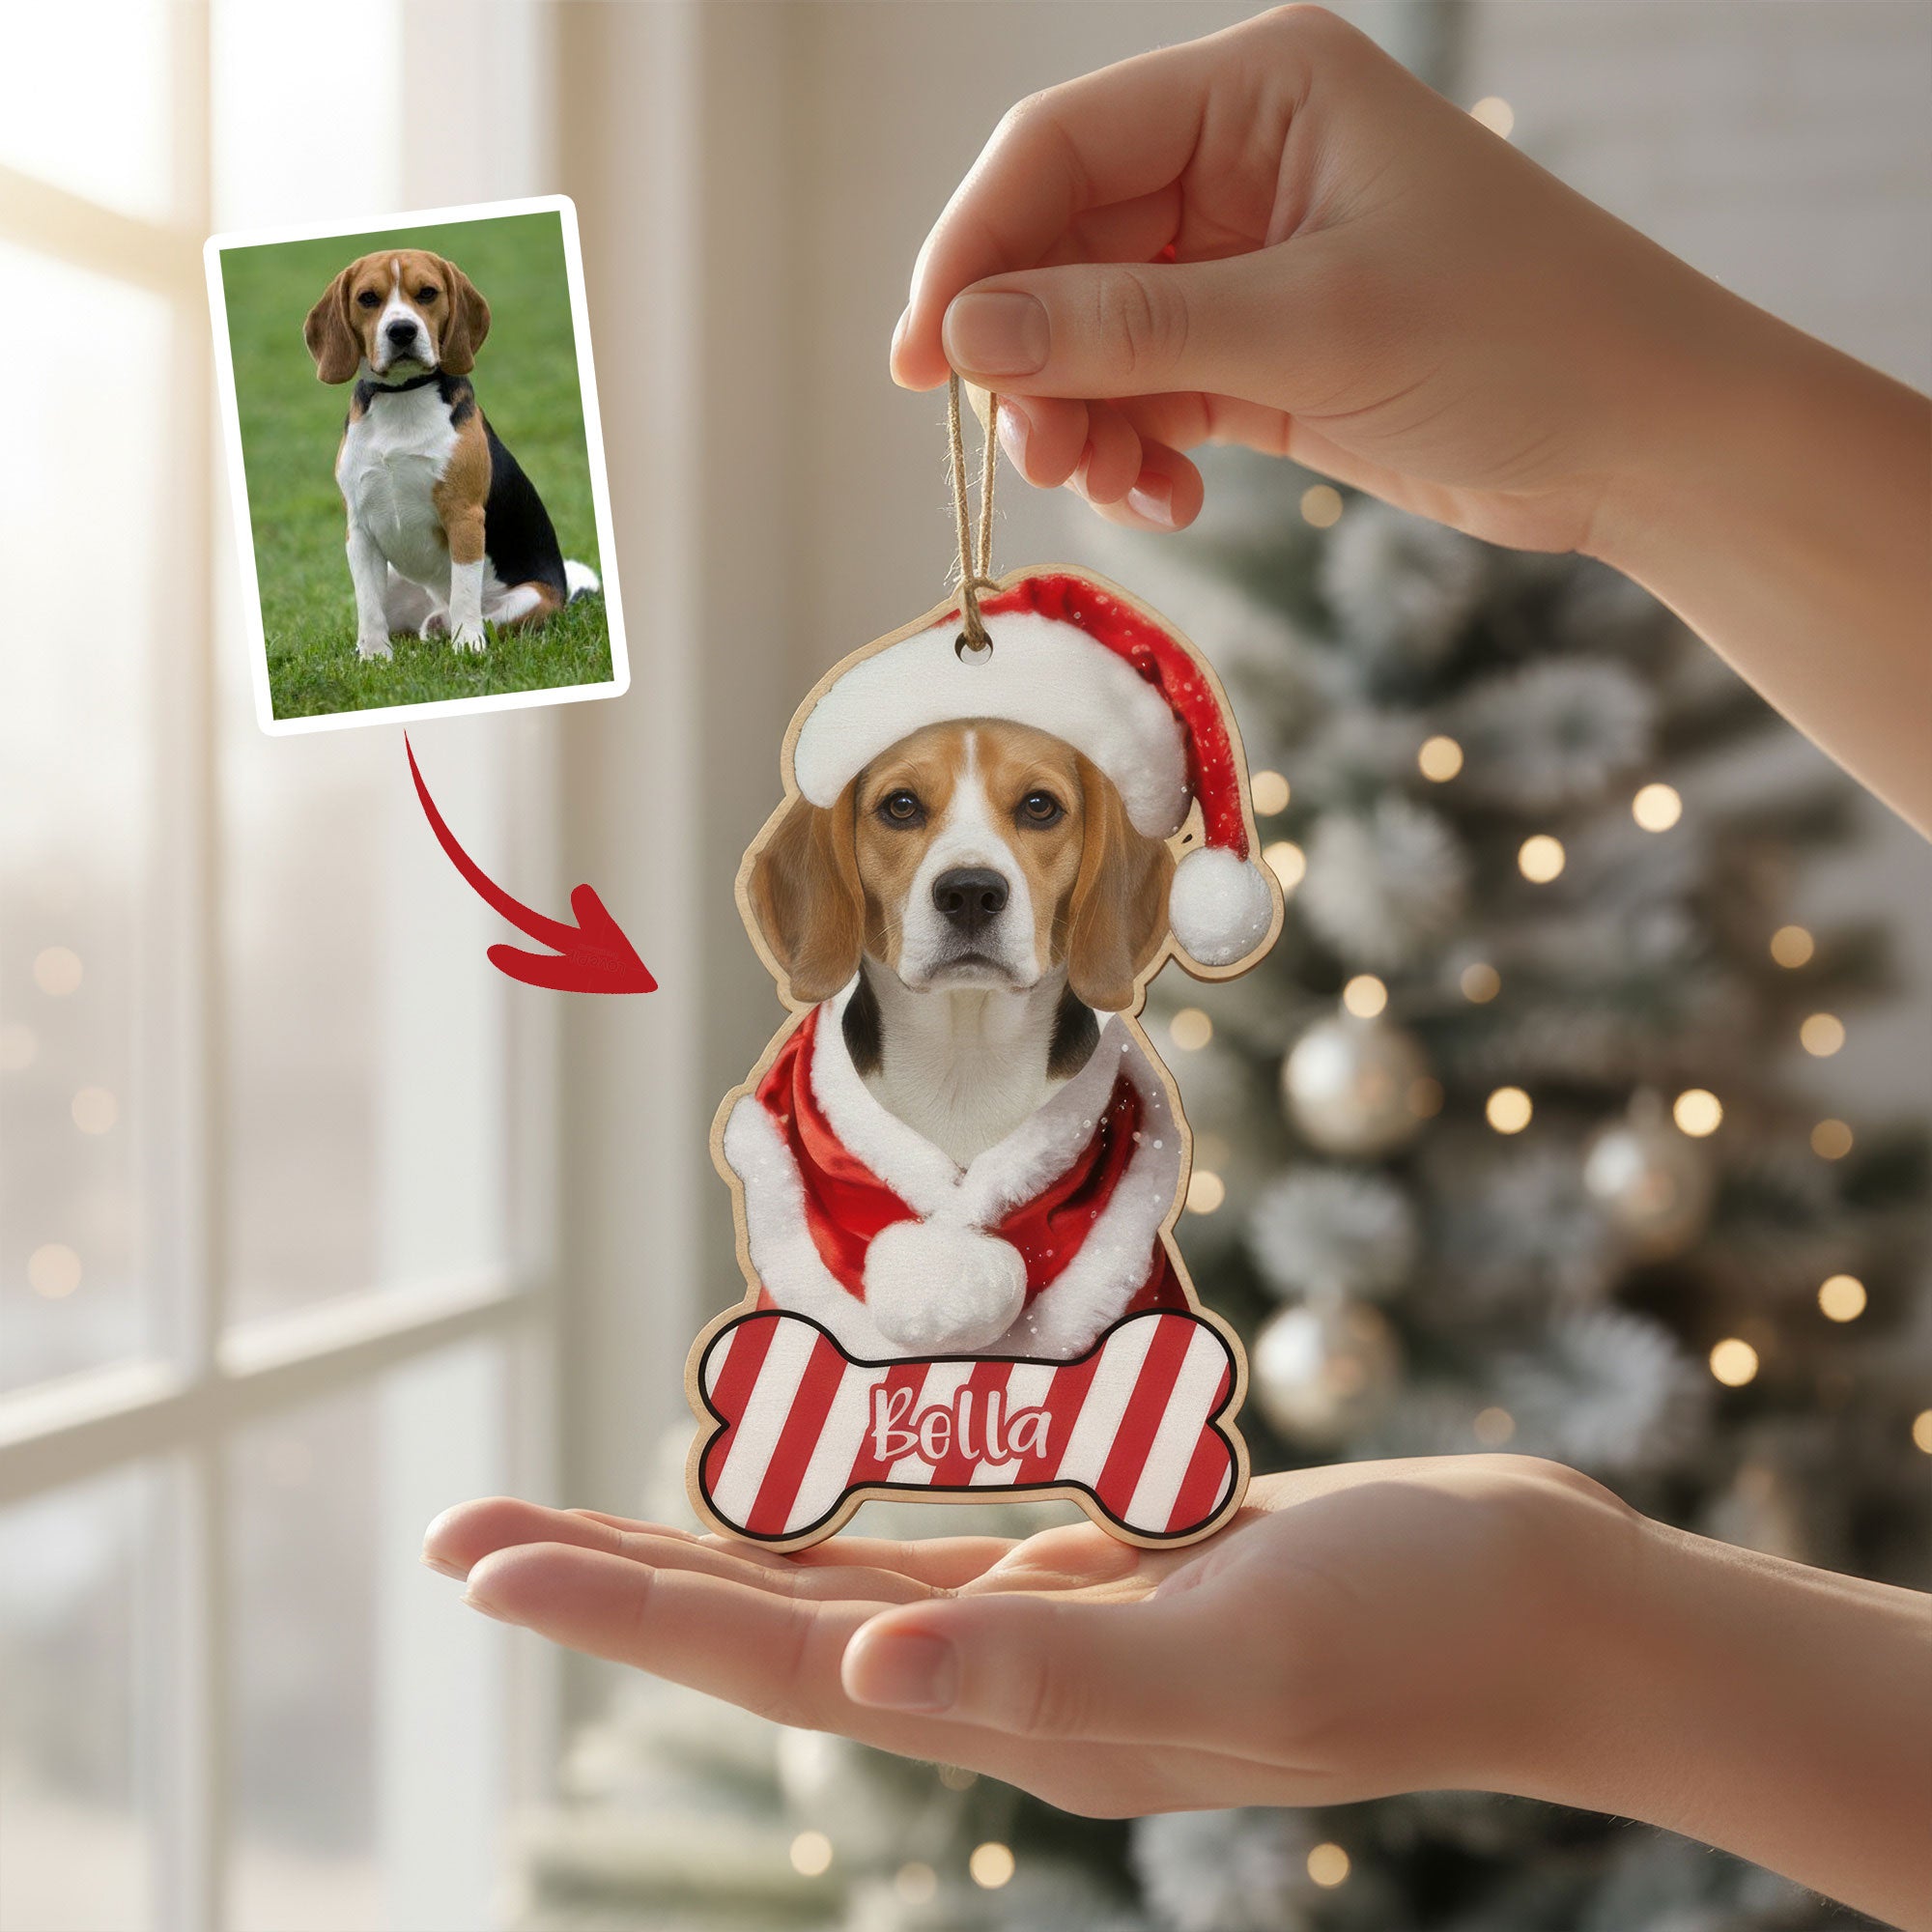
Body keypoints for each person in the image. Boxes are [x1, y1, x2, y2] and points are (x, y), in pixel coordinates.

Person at [424, 12, 1932, 1926]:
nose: (970, 868)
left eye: (1033, 820)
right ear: (835, 865)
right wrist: (1635, 418)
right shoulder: (812, 1076)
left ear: (1111, 871)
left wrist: (1582, 1645)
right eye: (911, 820)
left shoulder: (1110, 1072)